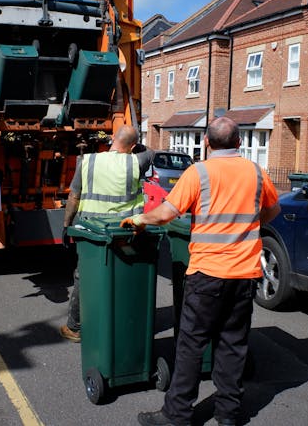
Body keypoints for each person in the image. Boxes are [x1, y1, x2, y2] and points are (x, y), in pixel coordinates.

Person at [121, 116, 281, 426]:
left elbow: (168, 213)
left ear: (207, 142)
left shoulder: (199, 172)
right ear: (239, 143)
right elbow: (273, 211)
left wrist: (141, 219)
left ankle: (177, 415)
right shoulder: (256, 173)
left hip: (207, 273)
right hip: (243, 276)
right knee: (233, 346)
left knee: (191, 346)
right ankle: (228, 416)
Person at [59, 125, 153, 343]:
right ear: (132, 145)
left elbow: (74, 197)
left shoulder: (87, 161)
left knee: (85, 276)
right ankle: (124, 324)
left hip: (93, 233)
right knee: (123, 276)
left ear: (112, 138)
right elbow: (149, 151)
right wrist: (133, 145)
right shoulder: (137, 161)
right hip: (125, 231)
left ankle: (75, 328)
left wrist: (66, 225)